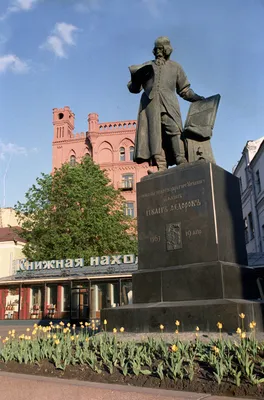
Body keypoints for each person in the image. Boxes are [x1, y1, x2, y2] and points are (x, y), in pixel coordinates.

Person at [128, 36, 204, 172]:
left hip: (169, 103)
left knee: (174, 130)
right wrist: (135, 79)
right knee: (155, 135)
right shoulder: (147, 66)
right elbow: (134, 88)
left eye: (161, 49)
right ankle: (161, 165)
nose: (158, 52)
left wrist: (199, 98)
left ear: (167, 50)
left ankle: (181, 159)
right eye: (156, 49)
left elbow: (185, 90)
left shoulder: (175, 67)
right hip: (150, 106)